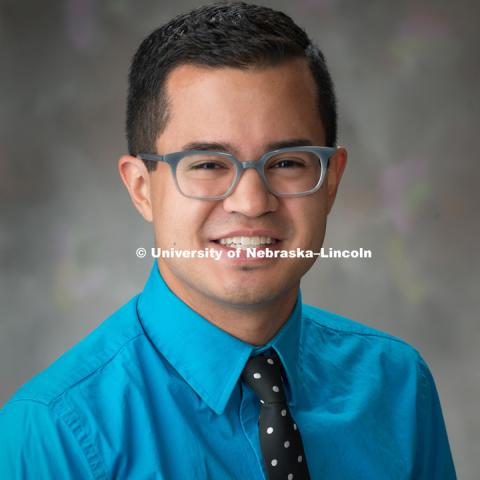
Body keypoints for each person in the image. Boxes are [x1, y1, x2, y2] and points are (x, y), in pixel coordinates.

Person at [0, 2, 456, 479]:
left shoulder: (398, 386)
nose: (252, 202)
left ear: (331, 179)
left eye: (287, 162)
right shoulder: (52, 434)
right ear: (141, 188)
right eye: (208, 165)